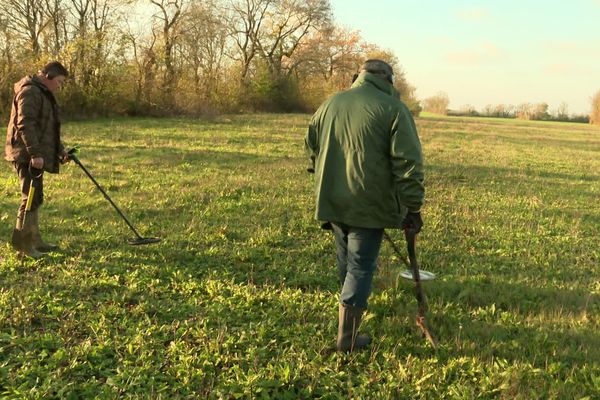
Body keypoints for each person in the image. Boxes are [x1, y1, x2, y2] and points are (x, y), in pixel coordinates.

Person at [305, 59, 425, 352]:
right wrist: (413, 207)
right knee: (360, 267)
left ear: (358, 76)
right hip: (367, 207)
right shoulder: (394, 109)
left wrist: (324, 176)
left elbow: (311, 147)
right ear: (388, 79)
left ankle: (349, 325)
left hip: (332, 201)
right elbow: (408, 164)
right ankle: (347, 339)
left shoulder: (330, 103)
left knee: (346, 262)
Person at [5, 61, 70, 259]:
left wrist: (60, 150)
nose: (60, 86)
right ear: (48, 76)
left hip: (33, 154)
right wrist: (35, 154)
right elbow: (24, 124)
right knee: (30, 197)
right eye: (59, 82)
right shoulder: (30, 92)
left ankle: (34, 239)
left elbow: (47, 128)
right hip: (25, 154)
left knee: (36, 196)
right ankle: (23, 245)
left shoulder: (42, 92)